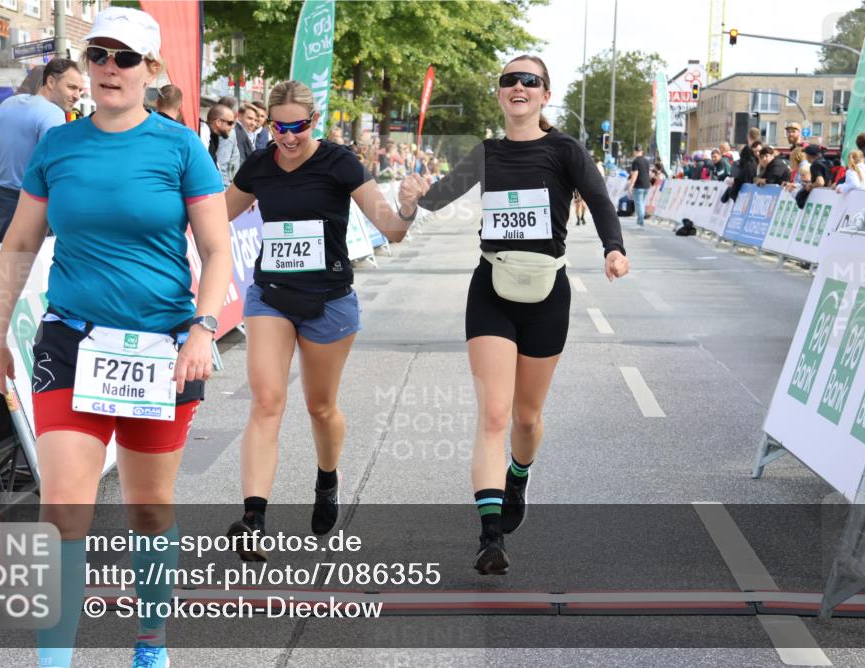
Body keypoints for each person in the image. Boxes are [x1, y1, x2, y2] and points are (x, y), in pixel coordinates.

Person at [0, 8, 233, 668]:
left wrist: (203, 328)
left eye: (125, 57)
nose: (109, 68)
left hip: (163, 350)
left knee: (149, 510)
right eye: (98, 55)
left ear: (151, 69)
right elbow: (19, 244)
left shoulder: (180, 147)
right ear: (85, 64)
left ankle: (151, 642)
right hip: (71, 343)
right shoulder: (59, 144)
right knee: (63, 510)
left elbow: (216, 249)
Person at [406, 55, 629, 574]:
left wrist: (613, 248)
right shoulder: (486, 153)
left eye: (530, 81)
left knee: (526, 419)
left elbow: (599, 200)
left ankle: (519, 475)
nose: (519, 86)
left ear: (545, 94)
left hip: (548, 291)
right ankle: (490, 538)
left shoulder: (565, 149)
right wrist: (414, 195)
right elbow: (438, 199)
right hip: (492, 288)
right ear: (500, 93)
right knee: (494, 414)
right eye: (510, 80)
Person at [221, 80, 422, 560]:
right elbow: (213, 218)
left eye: (298, 126)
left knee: (320, 407)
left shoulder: (339, 163)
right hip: (271, 296)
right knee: (266, 400)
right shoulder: (258, 165)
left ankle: (327, 478)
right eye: (278, 127)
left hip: (329, 301)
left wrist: (408, 207)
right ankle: (254, 519)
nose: (289, 137)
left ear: (314, 121)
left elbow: (391, 230)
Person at [0, 58, 83, 248]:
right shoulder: (53, 114)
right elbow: (56, 173)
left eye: (80, 90)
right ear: (51, 82)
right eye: (71, 87)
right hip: (25, 212)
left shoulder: (10, 103)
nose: (77, 95)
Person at [207, 103, 240, 187]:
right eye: (230, 123)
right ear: (218, 122)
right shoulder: (203, 134)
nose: (232, 127)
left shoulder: (214, 137)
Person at [627, 145, 651, 227]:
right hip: (646, 184)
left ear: (634, 151)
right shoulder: (646, 161)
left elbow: (635, 174)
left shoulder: (636, 161)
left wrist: (631, 185)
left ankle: (640, 222)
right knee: (642, 203)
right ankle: (640, 220)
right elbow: (648, 173)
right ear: (642, 151)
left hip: (638, 185)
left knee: (639, 204)